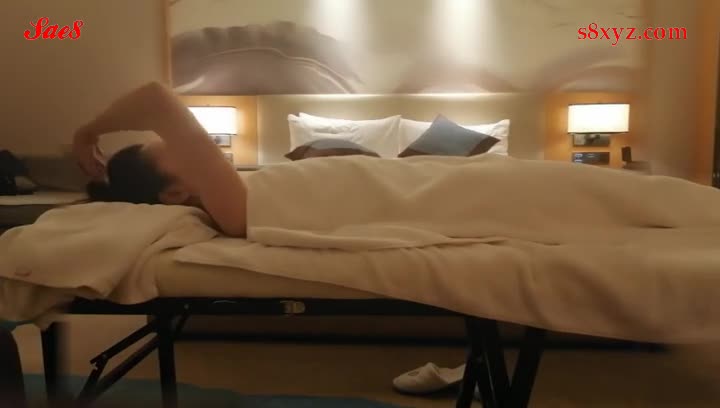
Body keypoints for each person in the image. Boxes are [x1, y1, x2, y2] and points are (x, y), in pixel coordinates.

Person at [72, 82, 248, 237]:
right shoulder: (235, 212)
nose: (194, 149)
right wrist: (86, 134)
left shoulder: (239, 198)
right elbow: (154, 98)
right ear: (174, 194)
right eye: (181, 151)